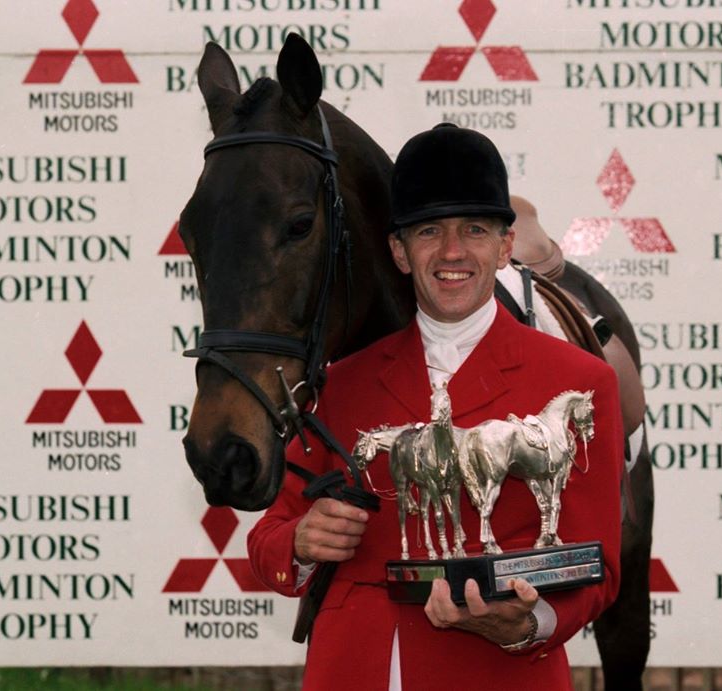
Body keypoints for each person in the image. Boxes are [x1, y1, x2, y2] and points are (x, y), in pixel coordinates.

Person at [247, 123, 623, 691]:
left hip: (497, 673)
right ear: (399, 252)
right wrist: (300, 543)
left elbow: (598, 568)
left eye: (474, 229)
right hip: (351, 669)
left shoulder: (580, 378)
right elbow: (269, 535)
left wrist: (527, 625)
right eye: (429, 232)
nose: (452, 251)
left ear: (504, 247)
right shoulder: (339, 382)